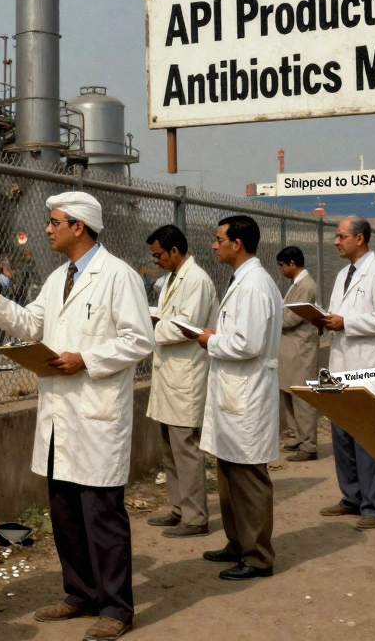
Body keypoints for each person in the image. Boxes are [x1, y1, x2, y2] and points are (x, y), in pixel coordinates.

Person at [0, 191, 154, 641]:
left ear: (79, 226)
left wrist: (86, 358)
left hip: (95, 416)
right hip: (59, 418)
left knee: (102, 516)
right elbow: (33, 325)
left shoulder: (118, 276)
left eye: (54, 222)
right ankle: (80, 594)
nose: (47, 229)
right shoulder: (58, 279)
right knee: (65, 512)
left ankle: (115, 608)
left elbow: (139, 339)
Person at [191, 216, 282, 581]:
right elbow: (241, 333)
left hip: (247, 395)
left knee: (248, 477)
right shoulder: (241, 282)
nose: (214, 245)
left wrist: (209, 340)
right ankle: (237, 543)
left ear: (237, 243)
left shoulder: (255, 285)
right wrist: (218, 334)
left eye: (219, 239)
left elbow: (248, 344)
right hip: (233, 392)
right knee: (228, 472)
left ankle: (258, 556)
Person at [312, 215, 375, 531]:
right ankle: (351, 498)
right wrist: (324, 322)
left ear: (359, 239)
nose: (336, 241)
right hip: (341, 366)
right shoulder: (342, 276)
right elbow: (339, 316)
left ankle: (373, 507)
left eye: (341, 236)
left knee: (367, 436)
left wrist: (345, 323)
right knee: (342, 433)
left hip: (366, 367)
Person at [144, 224, 218, 538]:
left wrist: (146, 329)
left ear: (175, 250)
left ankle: (196, 516)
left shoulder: (197, 280)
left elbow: (185, 327)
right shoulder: (172, 279)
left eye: (159, 254)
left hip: (186, 376)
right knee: (170, 449)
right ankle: (178, 508)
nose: (156, 260)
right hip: (169, 376)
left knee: (186, 449)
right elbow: (168, 319)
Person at [276, 246, 321, 462]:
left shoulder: (305, 286)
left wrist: (270, 319)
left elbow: (291, 319)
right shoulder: (297, 285)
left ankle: (309, 445)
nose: (282, 270)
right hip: (290, 350)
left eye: (283, 266)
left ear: (292, 263)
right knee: (288, 394)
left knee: (302, 397)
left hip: (300, 350)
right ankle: (296, 438)